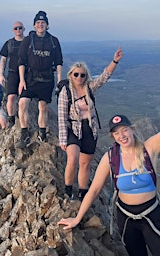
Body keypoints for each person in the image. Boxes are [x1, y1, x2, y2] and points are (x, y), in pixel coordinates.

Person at [58, 74, 160, 255]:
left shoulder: (149, 149)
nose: (122, 136)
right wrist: (77, 219)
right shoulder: (110, 158)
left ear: (132, 130)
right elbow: (93, 190)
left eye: (124, 130)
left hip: (151, 215)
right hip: (126, 219)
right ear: (113, 137)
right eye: (117, 133)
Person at [58, 47, 123, 200]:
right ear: (70, 76)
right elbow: (61, 117)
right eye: (76, 74)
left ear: (86, 76)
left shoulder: (89, 88)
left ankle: (83, 192)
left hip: (90, 130)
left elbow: (104, 77)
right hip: (73, 129)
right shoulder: (65, 92)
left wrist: (115, 61)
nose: (79, 77)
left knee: (85, 164)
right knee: (73, 159)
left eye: (82, 75)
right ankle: (68, 190)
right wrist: (62, 139)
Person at [15, 10, 63, 148]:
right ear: (34, 25)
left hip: (47, 79)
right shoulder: (27, 40)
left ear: (47, 25)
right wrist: (22, 80)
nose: (40, 25)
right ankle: (24, 133)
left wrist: (59, 80)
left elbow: (59, 61)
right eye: (38, 23)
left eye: (43, 23)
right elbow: (21, 61)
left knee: (43, 106)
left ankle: (42, 133)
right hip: (30, 78)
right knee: (22, 103)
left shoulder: (53, 41)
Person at [0, 21, 25, 128]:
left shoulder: (28, 42)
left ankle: (23, 121)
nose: (18, 30)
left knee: (25, 99)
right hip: (13, 73)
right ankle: (11, 119)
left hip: (27, 74)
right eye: (16, 28)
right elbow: (3, 59)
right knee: (11, 97)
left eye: (20, 28)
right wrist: (1, 74)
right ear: (13, 30)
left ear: (23, 29)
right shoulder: (9, 43)